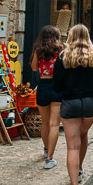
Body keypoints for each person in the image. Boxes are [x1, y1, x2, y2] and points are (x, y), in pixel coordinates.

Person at [52, 24, 93, 185]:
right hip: (90, 105)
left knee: (72, 146)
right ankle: (79, 168)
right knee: (83, 134)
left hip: (70, 104)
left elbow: (56, 86)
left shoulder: (63, 58)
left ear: (70, 37)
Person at [30, 25, 62, 170]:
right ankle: (50, 158)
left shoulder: (38, 49)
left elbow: (34, 68)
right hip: (56, 86)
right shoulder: (60, 49)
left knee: (44, 122)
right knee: (54, 124)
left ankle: (45, 149)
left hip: (43, 85)